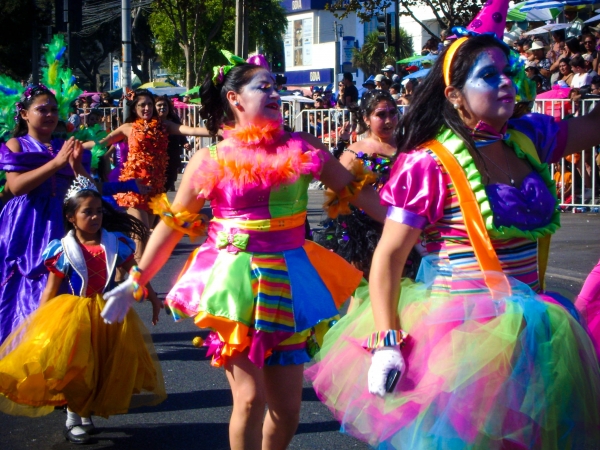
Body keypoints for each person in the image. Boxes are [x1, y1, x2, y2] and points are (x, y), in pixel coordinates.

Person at [306, 6, 600, 447]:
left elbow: (594, 125)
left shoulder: (528, 139)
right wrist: (387, 340)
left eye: (509, 70)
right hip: (460, 340)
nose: (505, 81)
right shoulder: (428, 163)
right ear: (455, 94)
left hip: (535, 333)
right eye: (488, 75)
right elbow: (389, 256)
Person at [99, 50, 386, 450]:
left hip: (289, 280)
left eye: (276, 87)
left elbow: (359, 194)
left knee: (288, 411)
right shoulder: (210, 158)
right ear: (234, 99)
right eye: (262, 87)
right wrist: (136, 280)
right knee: (250, 399)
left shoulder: (303, 145)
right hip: (234, 284)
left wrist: (414, 223)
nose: (274, 94)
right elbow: (172, 224)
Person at [0, 177, 166, 444]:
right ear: (71, 217)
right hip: (74, 313)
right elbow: (50, 290)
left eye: (99, 211)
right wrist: (39, 321)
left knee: (100, 363)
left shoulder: (115, 243)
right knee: (77, 366)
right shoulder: (62, 249)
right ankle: (73, 417)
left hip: (108, 313)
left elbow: (134, 275)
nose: (95, 217)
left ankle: (86, 412)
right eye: (87, 212)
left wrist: (154, 299)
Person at [0, 85, 91, 344]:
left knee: (63, 283)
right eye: (42, 109)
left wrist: (76, 168)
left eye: (53, 110)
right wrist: (56, 164)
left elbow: (90, 190)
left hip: (61, 224)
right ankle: (19, 349)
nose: (50, 115)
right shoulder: (16, 143)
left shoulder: (64, 145)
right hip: (26, 225)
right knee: (25, 285)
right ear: (25, 114)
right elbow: (17, 186)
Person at [315, 90, 421, 280]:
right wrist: (351, 239)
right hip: (366, 235)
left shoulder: (408, 145)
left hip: (404, 227)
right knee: (371, 291)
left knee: (404, 288)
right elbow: (337, 197)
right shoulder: (355, 152)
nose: (389, 120)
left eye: (393, 113)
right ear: (366, 118)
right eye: (381, 115)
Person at [99, 89, 210, 259]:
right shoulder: (128, 128)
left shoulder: (164, 126)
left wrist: (223, 130)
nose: (147, 108)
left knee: (143, 239)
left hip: (154, 190)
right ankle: (140, 283)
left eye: (149, 104)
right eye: (142, 105)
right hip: (134, 188)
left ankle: (125, 273)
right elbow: (100, 144)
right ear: (135, 108)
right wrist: (76, 145)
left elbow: (192, 130)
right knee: (142, 234)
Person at [155, 95, 189, 192]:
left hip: (172, 157)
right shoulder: (151, 121)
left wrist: (185, 142)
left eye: (165, 105)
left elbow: (180, 131)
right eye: (159, 105)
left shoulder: (174, 119)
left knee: (169, 181)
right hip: (157, 159)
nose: (162, 107)